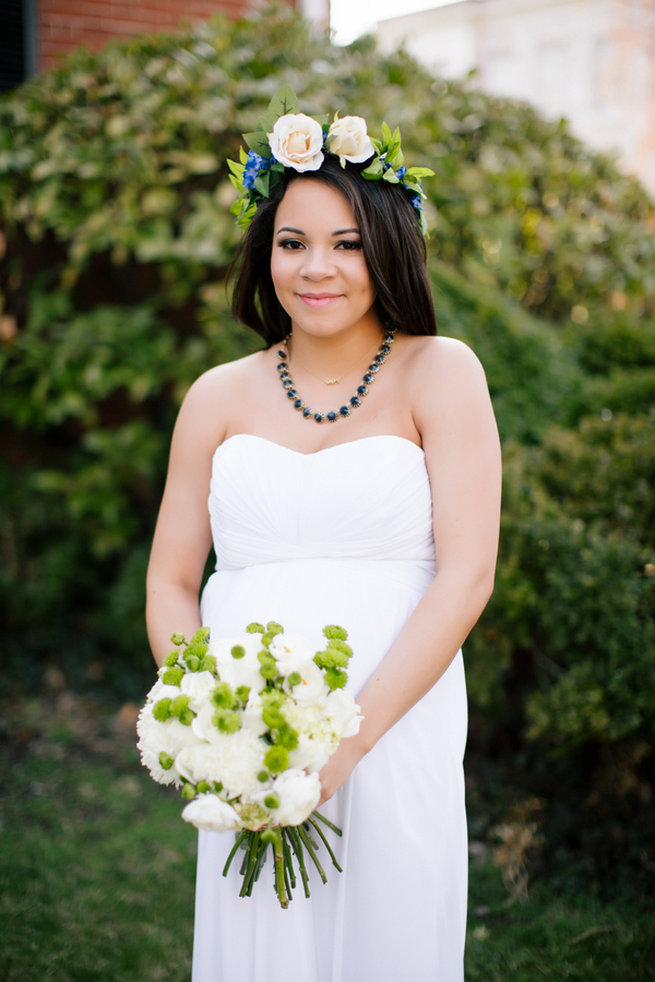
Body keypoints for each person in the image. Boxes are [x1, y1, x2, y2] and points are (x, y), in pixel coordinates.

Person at [145, 88, 501, 982]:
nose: (317, 268)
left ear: (387, 251)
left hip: (394, 722)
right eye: (292, 242)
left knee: (387, 932)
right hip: (249, 740)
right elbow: (170, 582)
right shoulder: (216, 395)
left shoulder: (441, 372)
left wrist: (345, 747)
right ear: (263, 253)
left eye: (347, 244)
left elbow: (465, 577)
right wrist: (209, 727)